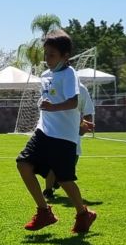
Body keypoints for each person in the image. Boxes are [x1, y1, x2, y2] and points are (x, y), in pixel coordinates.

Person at [16, 30, 97, 234]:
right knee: (23, 164)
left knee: (64, 179)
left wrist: (54, 108)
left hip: (64, 137)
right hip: (43, 132)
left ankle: (83, 213)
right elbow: (49, 98)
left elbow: (73, 102)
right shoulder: (45, 75)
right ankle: (44, 212)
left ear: (65, 56)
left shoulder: (69, 74)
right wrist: (45, 105)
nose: (47, 58)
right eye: (46, 54)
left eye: (52, 54)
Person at [43, 81, 95, 199]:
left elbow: (87, 111)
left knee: (70, 161)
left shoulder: (81, 89)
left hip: (72, 133)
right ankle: (48, 190)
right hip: (54, 131)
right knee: (53, 161)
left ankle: (59, 180)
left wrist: (85, 126)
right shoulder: (52, 85)